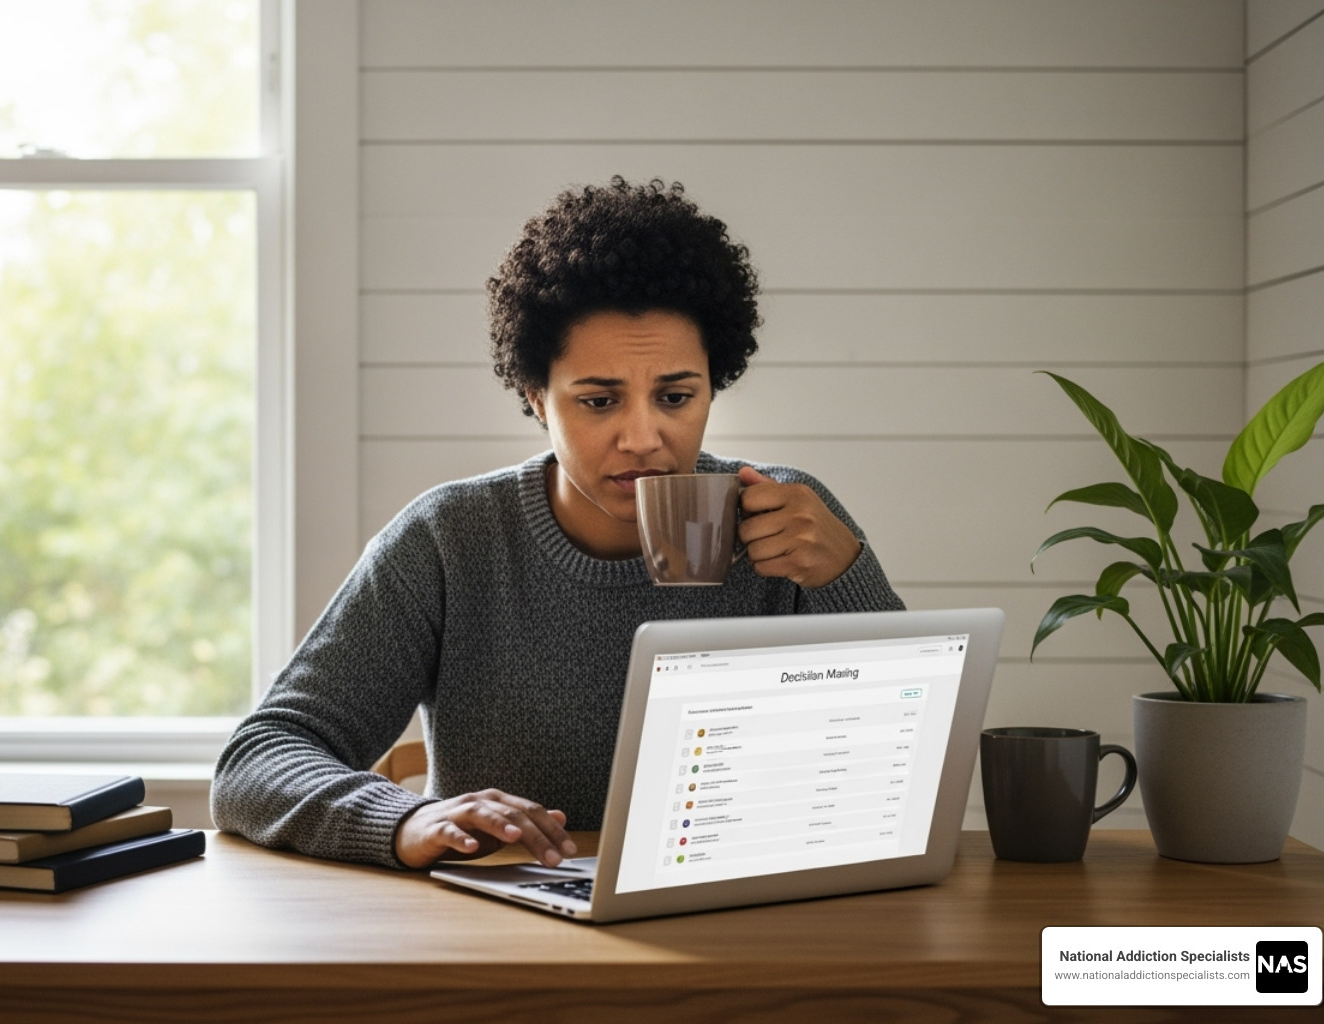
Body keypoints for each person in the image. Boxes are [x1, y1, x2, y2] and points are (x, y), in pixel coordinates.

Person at [211, 177, 904, 871]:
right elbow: (258, 759)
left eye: (675, 397)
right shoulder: (450, 541)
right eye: (599, 401)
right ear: (537, 398)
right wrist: (406, 817)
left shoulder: (790, 521)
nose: (643, 438)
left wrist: (846, 576)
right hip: (507, 914)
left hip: (742, 903)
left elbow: (903, 774)